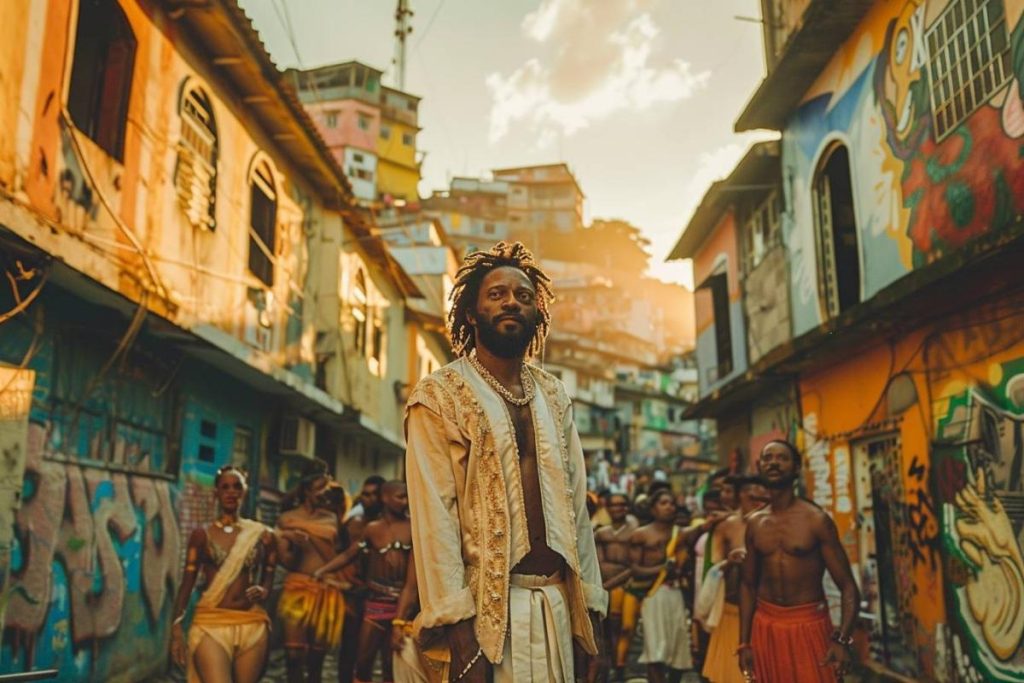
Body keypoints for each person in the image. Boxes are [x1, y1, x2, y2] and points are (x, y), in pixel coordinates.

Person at [404, 242, 608, 682]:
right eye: (496, 294)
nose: (511, 301)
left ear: (537, 313)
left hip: (555, 607)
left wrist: (591, 617)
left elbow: (577, 515)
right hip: (486, 620)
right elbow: (436, 522)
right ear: (472, 313)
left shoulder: (554, 396)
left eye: (523, 295)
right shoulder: (438, 397)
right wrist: (462, 639)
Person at [739, 440, 860, 682]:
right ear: (759, 466)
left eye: (782, 458)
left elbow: (848, 586)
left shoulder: (816, 520)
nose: (773, 462)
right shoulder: (754, 523)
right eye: (768, 457)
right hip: (766, 627)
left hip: (809, 625)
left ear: (796, 468)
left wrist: (843, 640)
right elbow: (748, 584)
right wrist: (744, 642)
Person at [169, 466, 276, 683]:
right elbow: (186, 585)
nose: (231, 492)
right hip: (212, 624)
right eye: (225, 487)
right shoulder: (202, 535)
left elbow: (270, 569)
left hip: (251, 624)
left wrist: (264, 589)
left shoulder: (260, 535)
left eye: (237, 486)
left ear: (244, 492)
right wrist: (176, 628)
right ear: (216, 493)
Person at [315, 480, 413, 683]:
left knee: (392, 664)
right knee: (363, 662)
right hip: (376, 604)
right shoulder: (372, 529)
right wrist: (323, 570)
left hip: (404, 606)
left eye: (406, 496)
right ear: (385, 498)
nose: (405, 501)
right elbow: (349, 554)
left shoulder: (414, 527)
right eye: (400, 496)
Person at [276, 460, 345, 683]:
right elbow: (285, 561)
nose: (325, 493)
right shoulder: (287, 519)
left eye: (327, 487)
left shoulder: (332, 518)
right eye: (320, 488)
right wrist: (293, 543)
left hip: (326, 590)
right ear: (306, 490)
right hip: (297, 589)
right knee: (294, 655)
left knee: (316, 659)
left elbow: (338, 557)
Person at [702, 476, 768, 683]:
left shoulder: (772, 522)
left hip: (765, 609)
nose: (759, 499)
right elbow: (713, 566)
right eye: (752, 494)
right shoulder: (726, 526)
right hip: (732, 607)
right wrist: (729, 562)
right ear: (741, 495)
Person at [627, 489, 691, 683]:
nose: (669, 507)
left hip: (675, 594)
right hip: (653, 595)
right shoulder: (641, 534)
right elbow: (635, 569)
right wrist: (661, 569)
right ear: (653, 509)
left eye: (672, 503)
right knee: (655, 648)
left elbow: (684, 566)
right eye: (663, 503)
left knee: (678, 647)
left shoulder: (680, 535)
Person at [338, 474, 385, 683]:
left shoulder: (392, 527)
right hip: (354, 595)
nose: (370, 499)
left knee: (385, 657)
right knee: (349, 650)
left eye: (375, 494)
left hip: (383, 596)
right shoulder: (353, 523)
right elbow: (341, 554)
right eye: (365, 494)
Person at [594, 493, 637, 682]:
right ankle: (612, 664)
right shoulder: (601, 533)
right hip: (607, 586)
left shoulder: (635, 533)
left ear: (628, 508)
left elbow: (634, 565)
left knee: (626, 627)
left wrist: (611, 582)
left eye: (622, 505)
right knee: (609, 628)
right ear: (608, 508)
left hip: (624, 586)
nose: (618, 509)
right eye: (614, 505)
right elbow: (599, 563)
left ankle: (621, 664)